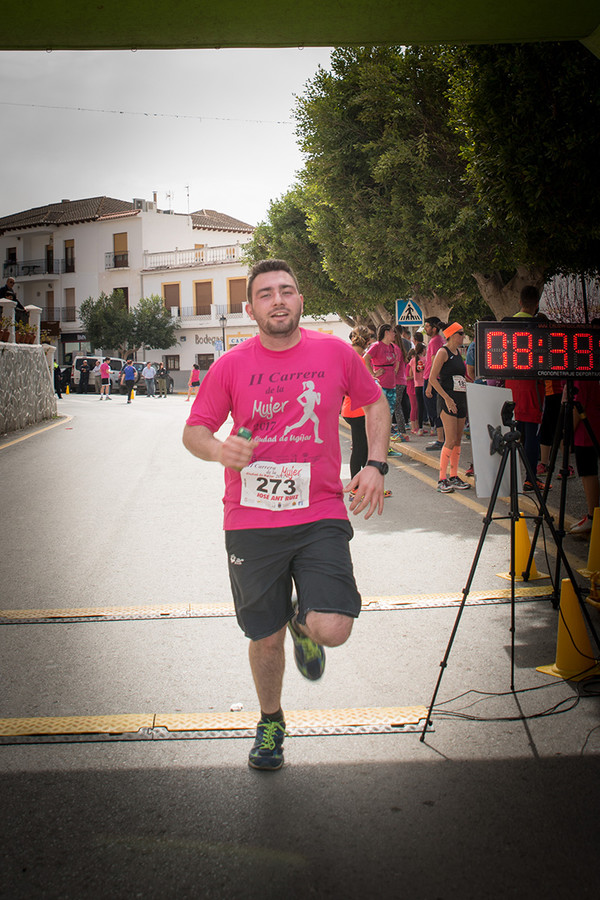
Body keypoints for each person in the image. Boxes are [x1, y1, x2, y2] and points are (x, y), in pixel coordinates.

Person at [182, 259, 390, 771]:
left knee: (333, 627)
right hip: (251, 520)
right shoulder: (231, 365)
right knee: (264, 637)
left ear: (300, 300)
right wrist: (219, 450)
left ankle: (305, 622)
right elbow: (195, 431)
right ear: (250, 308)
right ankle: (271, 720)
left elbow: (376, 403)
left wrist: (376, 464)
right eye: (266, 293)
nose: (278, 300)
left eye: (287, 290)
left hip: (319, 512)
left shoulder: (335, 352)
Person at [427, 322, 470, 493]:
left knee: (458, 440)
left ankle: (454, 475)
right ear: (451, 335)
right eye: (460, 333)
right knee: (450, 439)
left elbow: (462, 376)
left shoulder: (458, 353)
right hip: (447, 400)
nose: (463, 336)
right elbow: (432, 378)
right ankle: (442, 479)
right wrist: (447, 398)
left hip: (460, 399)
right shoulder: (443, 352)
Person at [569, 378, 600, 534]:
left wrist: (567, 433)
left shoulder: (581, 377)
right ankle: (592, 514)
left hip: (586, 433)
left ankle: (593, 516)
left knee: (588, 473)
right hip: (592, 427)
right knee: (589, 472)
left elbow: (578, 406)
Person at [364, 324, 398, 423]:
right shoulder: (376, 346)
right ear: (386, 332)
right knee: (380, 411)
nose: (394, 334)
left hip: (392, 384)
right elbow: (366, 358)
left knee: (390, 411)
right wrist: (373, 374)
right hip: (381, 384)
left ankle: (387, 430)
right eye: (392, 331)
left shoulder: (392, 347)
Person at [422, 317, 446, 450]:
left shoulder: (434, 341)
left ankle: (441, 439)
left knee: (435, 410)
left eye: (427, 326)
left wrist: (430, 385)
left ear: (434, 328)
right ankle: (442, 438)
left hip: (432, 379)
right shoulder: (439, 340)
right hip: (434, 378)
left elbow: (434, 363)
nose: (425, 329)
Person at [406, 341, 426, 434]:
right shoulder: (425, 359)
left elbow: (410, 374)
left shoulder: (412, 361)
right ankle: (417, 427)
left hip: (416, 385)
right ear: (423, 350)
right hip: (423, 384)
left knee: (416, 407)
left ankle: (417, 427)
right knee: (418, 407)